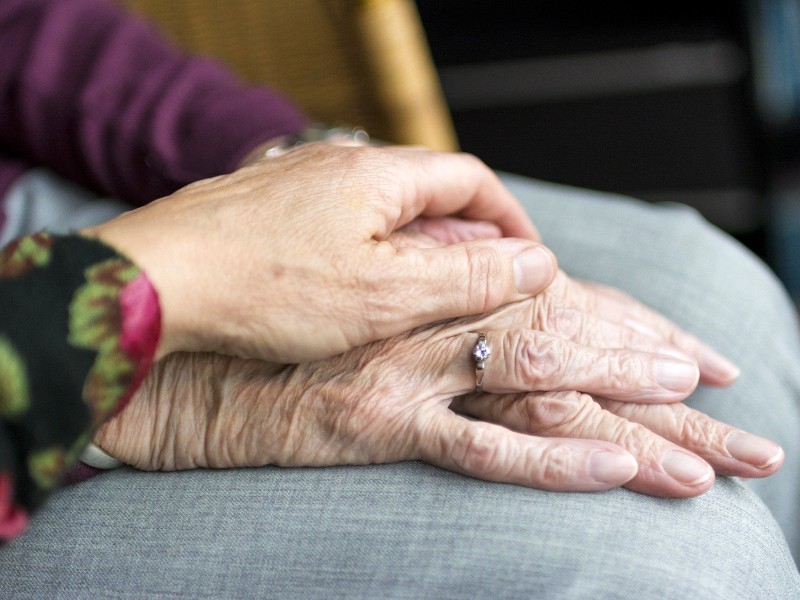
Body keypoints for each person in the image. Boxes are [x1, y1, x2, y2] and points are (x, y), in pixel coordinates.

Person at [0, 1, 798, 598]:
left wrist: (289, 169)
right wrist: (150, 382)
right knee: (670, 562)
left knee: (714, 301)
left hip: (47, 205)